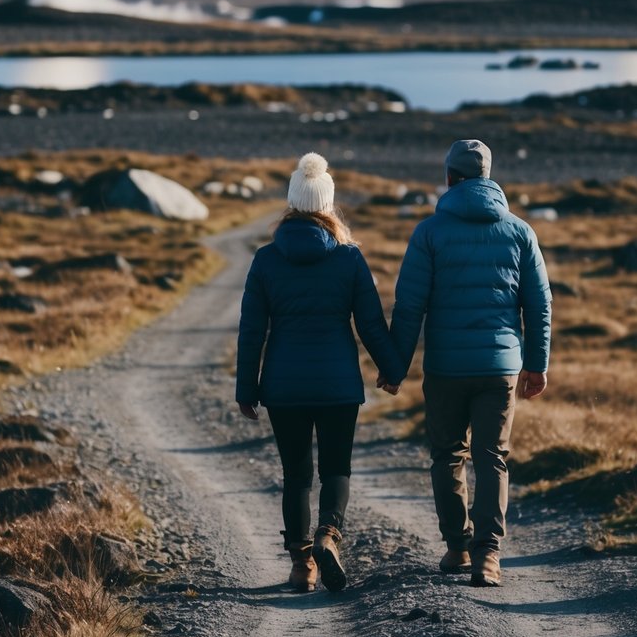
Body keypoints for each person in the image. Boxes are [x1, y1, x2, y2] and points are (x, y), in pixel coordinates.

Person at [384, 138, 551, 588]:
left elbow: (408, 306)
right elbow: (538, 305)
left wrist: (395, 367)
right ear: (488, 176)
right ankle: (489, 557)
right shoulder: (520, 231)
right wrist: (536, 365)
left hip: (446, 369)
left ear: (450, 178)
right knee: (492, 456)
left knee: (448, 456)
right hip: (500, 368)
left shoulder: (429, 233)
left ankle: (458, 547)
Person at [236, 152, 404, 593]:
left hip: (283, 386)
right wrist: (391, 369)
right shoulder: (349, 259)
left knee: (295, 475)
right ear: (327, 205)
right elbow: (369, 323)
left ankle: (301, 565)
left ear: (292, 203)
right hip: (338, 385)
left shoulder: (267, 259)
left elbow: (252, 330)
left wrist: (245, 389)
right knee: (336, 468)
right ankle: (329, 534)